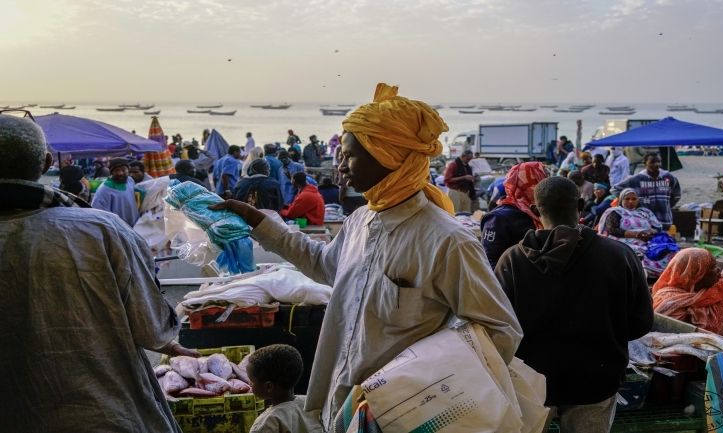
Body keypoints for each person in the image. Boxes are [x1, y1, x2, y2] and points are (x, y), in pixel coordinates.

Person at [210, 83, 522, 429]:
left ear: (388, 156)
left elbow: (500, 331)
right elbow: (324, 265)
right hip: (339, 408)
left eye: (350, 155)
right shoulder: (361, 220)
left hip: (398, 420)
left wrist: (419, 393)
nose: (340, 166)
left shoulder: (447, 239)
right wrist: (259, 221)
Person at [0, 114, 198, 432]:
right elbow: (154, 330)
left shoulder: (106, 227)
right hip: (104, 416)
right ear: (46, 162)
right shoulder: (103, 230)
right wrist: (167, 342)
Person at [494, 176, 653, 433]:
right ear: (581, 204)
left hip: (530, 382)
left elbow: (499, 323)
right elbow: (641, 322)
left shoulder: (512, 259)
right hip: (596, 379)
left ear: (535, 211)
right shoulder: (620, 255)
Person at [653, 248, 723, 337]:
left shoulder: (722, 288)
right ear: (695, 274)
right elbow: (674, 335)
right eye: (712, 267)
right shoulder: (670, 302)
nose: (718, 269)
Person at [480, 162, 547, 269]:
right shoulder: (499, 218)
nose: (549, 185)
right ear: (531, 182)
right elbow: (490, 260)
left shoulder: (543, 211)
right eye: (544, 179)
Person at [598, 188, 677, 277]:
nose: (631, 201)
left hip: (647, 241)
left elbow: (658, 227)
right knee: (636, 254)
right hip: (623, 242)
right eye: (627, 199)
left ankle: (665, 276)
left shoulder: (644, 212)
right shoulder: (615, 212)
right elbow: (612, 230)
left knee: (669, 252)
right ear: (621, 199)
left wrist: (650, 232)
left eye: (634, 199)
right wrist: (637, 235)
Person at [246, 344, 323, 433]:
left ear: (268, 387)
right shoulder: (312, 405)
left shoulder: (265, 424)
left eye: (251, 380)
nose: (249, 383)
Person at [611, 152, 681, 230]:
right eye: (652, 162)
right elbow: (615, 189)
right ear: (645, 163)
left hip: (664, 220)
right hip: (644, 221)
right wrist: (632, 202)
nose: (656, 164)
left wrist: (668, 205)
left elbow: (677, 194)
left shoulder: (668, 177)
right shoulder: (637, 179)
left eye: (658, 161)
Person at [91, 158, 140, 226]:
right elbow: (100, 214)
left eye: (123, 170)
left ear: (128, 170)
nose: (120, 173)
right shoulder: (104, 189)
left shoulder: (130, 181)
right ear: (111, 172)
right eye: (116, 170)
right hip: (119, 228)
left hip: (134, 225)